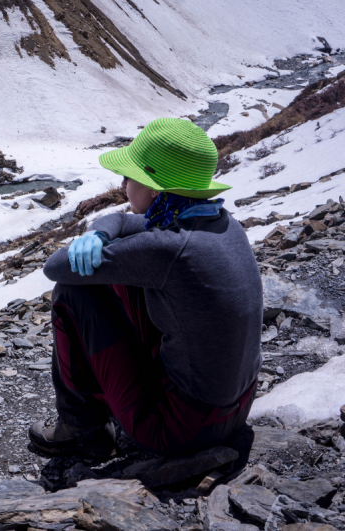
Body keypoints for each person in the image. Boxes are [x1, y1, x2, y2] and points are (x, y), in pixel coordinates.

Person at [29, 118, 263, 458]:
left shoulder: (168, 249)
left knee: (72, 292)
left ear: (155, 188)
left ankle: (81, 429)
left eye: (130, 176)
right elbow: (124, 221)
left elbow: (57, 268)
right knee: (117, 276)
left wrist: (95, 238)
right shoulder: (215, 221)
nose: (124, 183)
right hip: (234, 409)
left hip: (179, 429)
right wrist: (100, 232)